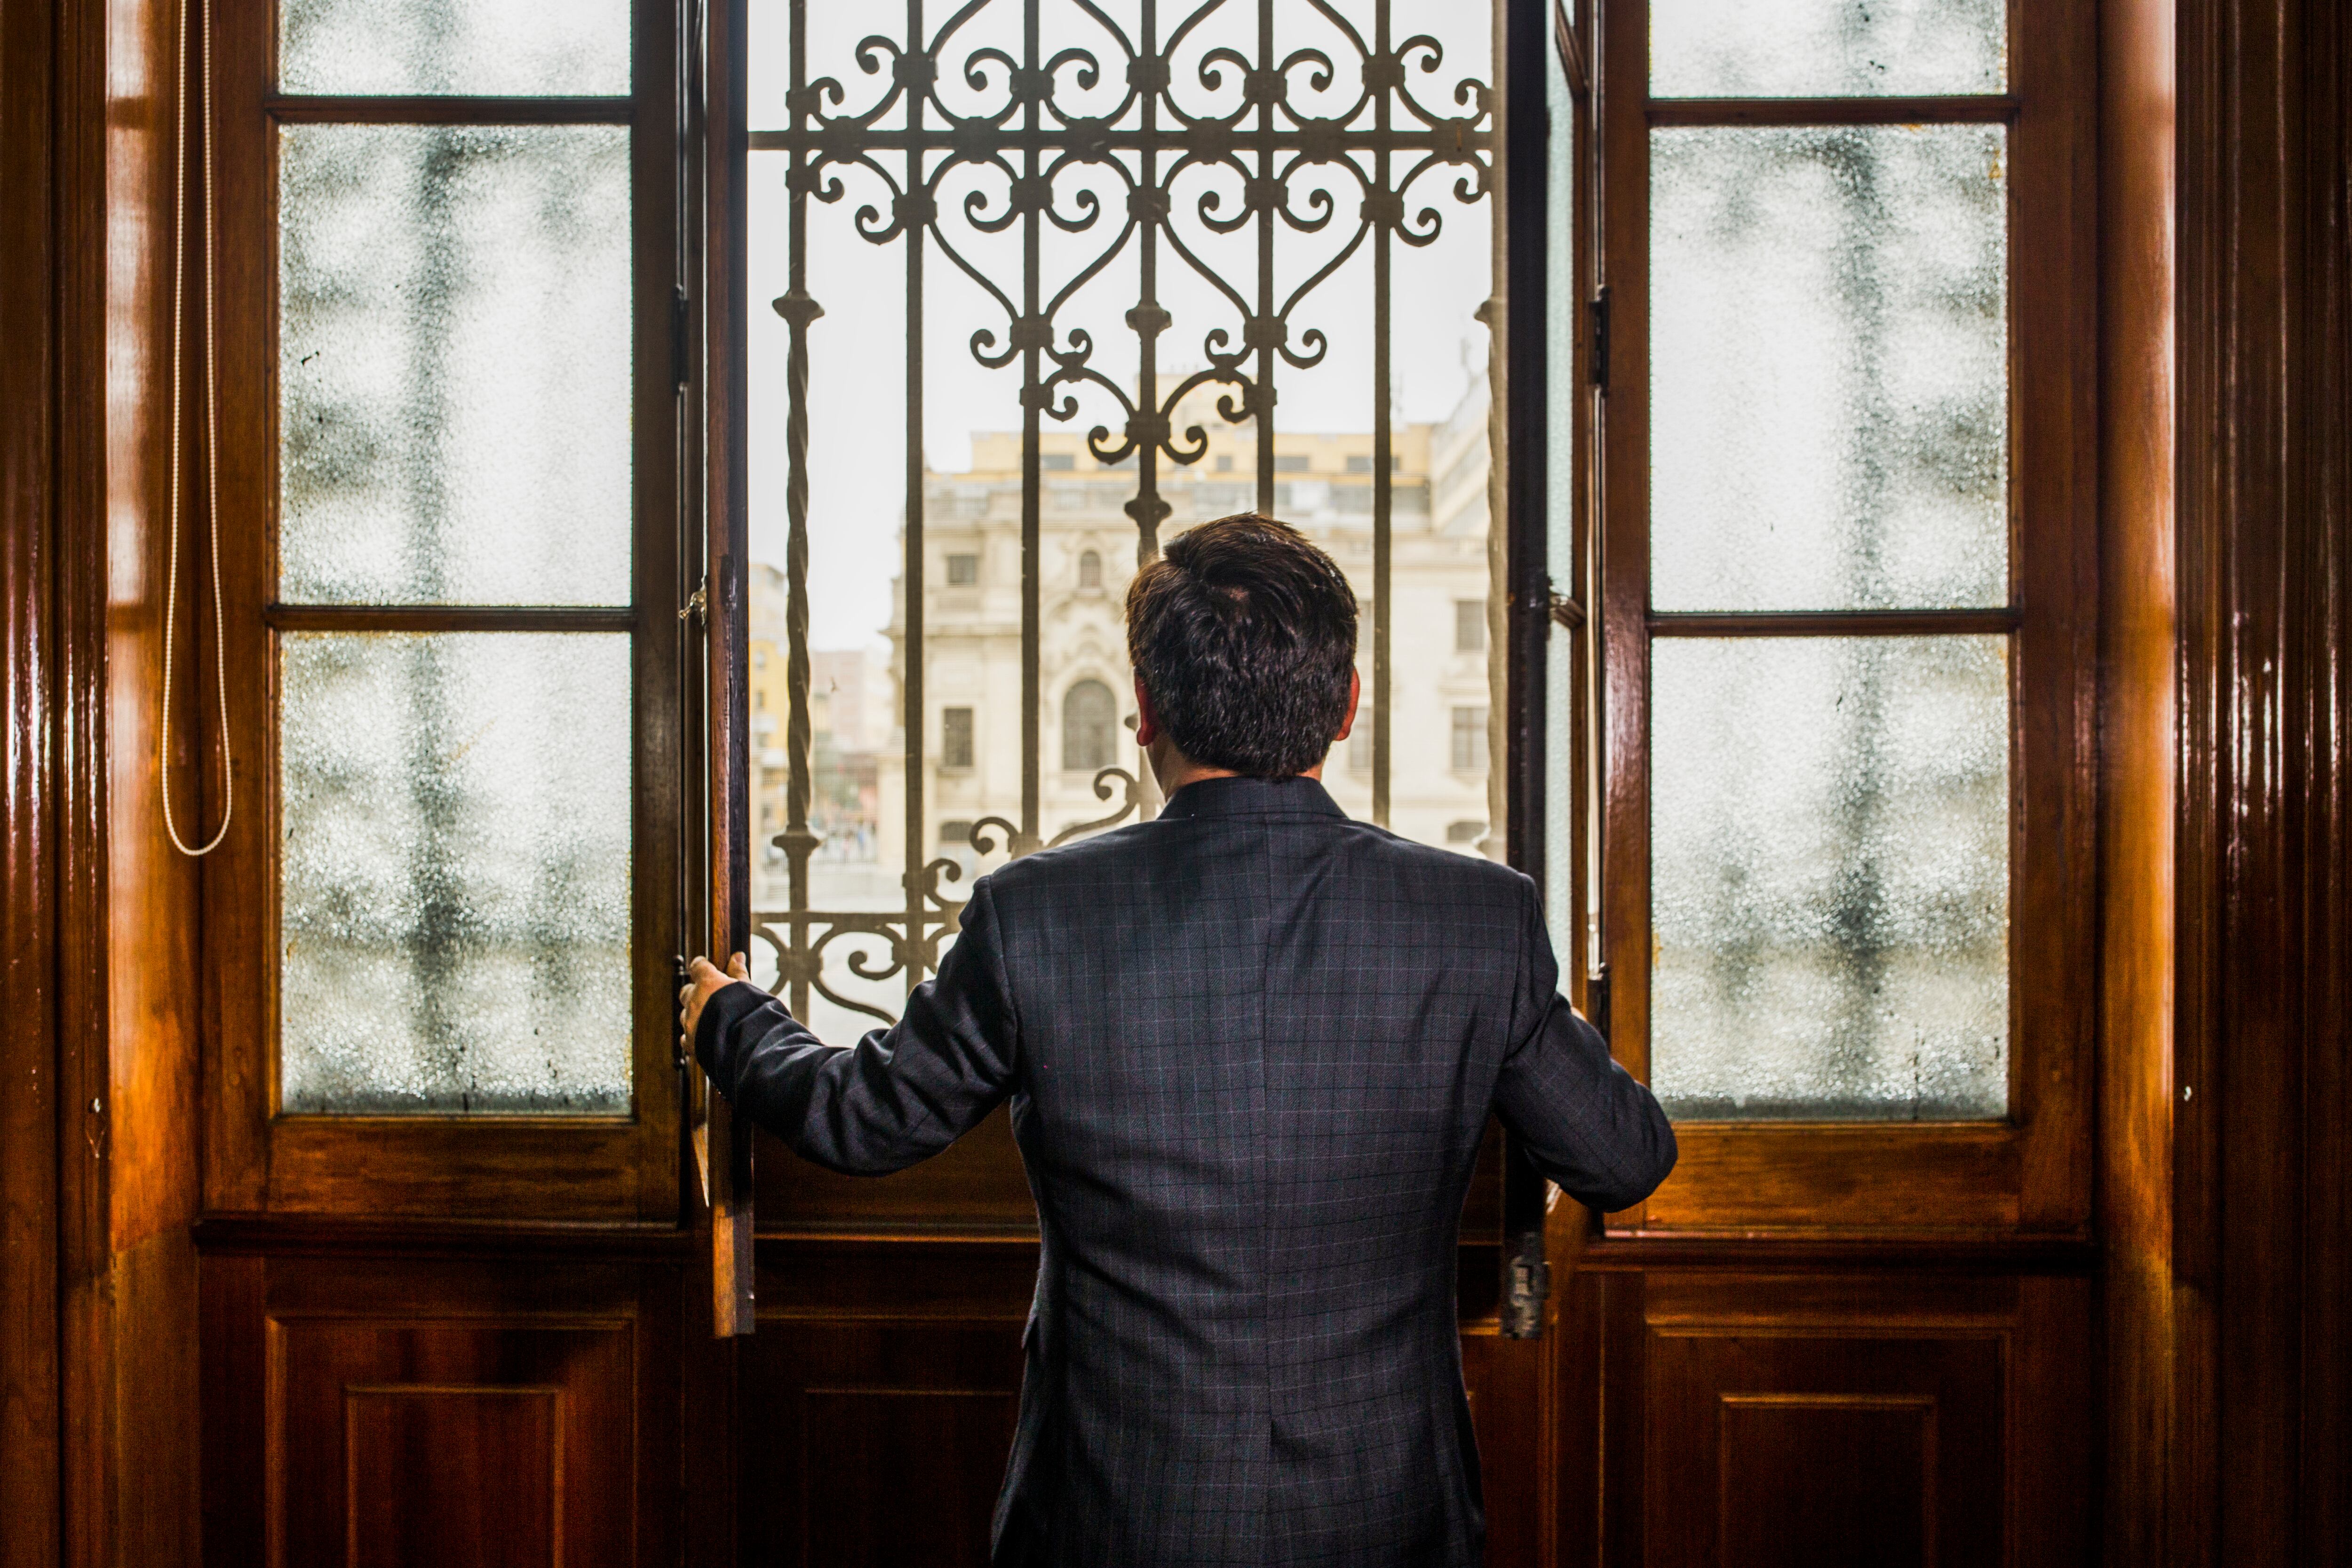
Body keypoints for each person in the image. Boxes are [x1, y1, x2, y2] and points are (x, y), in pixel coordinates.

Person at [679, 512, 1675, 1568]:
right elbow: (1623, 1159)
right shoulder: (1475, 917)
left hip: (1116, 1510)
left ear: (1143, 710)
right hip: (1385, 1509)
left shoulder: (1036, 913)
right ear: (1344, 708)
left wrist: (730, 1020)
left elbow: (865, 1117)